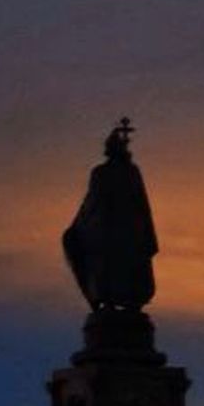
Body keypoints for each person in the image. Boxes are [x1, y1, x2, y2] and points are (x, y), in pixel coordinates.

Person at [61, 118, 158, 311]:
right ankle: (111, 301)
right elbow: (92, 203)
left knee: (120, 267)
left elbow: (140, 205)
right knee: (109, 268)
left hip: (123, 236)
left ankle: (123, 301)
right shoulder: (104, 173)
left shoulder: (123, 172)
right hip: (110, 235)